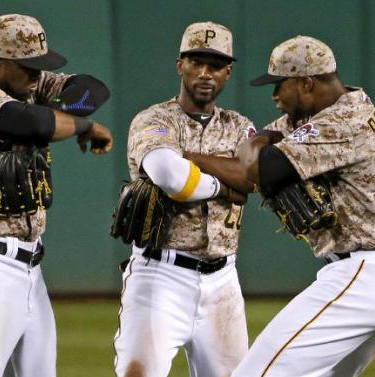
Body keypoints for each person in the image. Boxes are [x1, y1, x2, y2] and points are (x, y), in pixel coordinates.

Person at [232, 35, 375, 376]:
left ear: (307, 82)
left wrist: (256, 144)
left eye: (280, 85)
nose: (274, 95)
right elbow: (257, 148)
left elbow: (257, 169)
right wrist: (258, 143)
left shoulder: (342, 122)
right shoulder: (339, 109)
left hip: (367, 276)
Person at [0, 14, 113, 377]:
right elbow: (30, 123)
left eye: (41, 67)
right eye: (28, 67)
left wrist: (61, 115)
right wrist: (83, 126)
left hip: (31, 268)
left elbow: (91, 89)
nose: (37, 76)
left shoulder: (29, 85)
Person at [113, 21, 256, 377]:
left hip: (224, 281)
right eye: (197, 62)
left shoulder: (239, 126)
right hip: (160, 277)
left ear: (228, 72)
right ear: (180, 65)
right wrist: (225, 185)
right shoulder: (155, 120)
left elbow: (252, 178)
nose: (206, 73)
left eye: (216, 65)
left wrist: (191, 157)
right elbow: (170, 176)